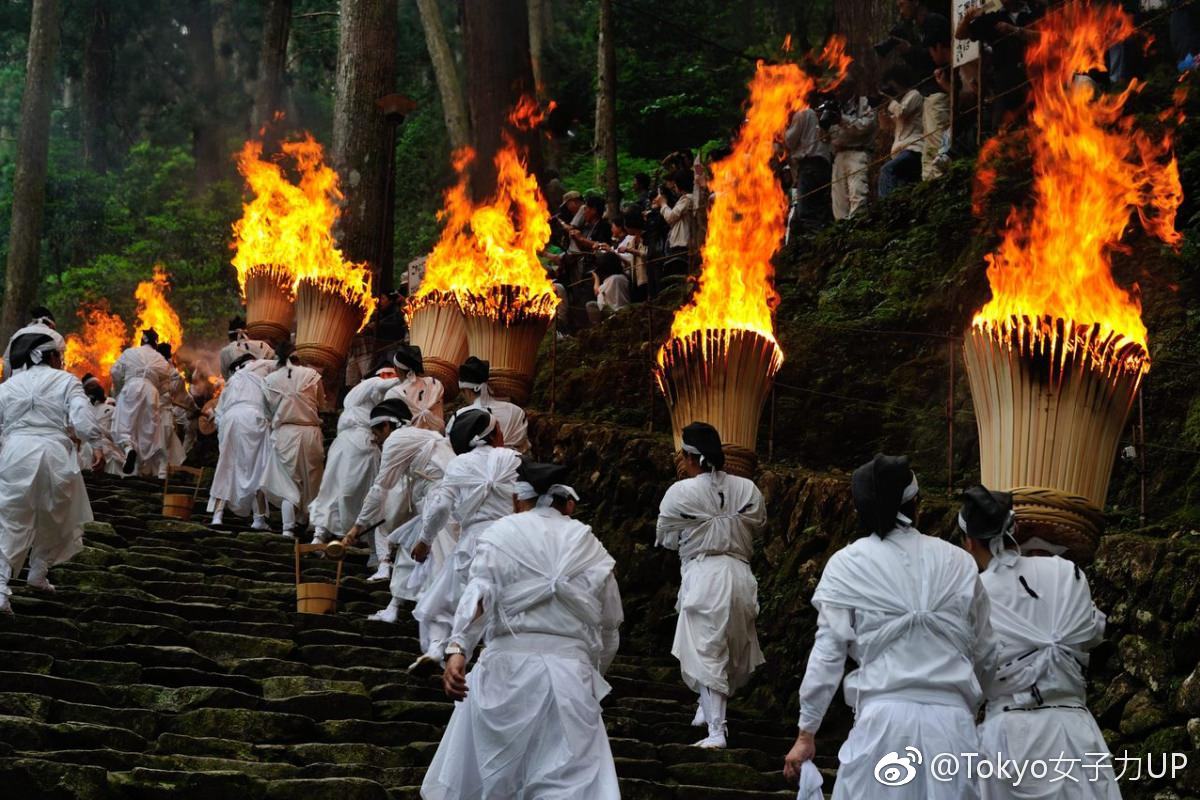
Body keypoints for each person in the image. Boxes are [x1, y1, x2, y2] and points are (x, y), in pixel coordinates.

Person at [783, 453, 997, 799]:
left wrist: (807, 732)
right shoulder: (960, 562)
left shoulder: (848, 564)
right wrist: (971, 709)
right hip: (953, 728)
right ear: (917, 505)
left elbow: (828, 652)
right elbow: (986, 652)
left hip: (883, 726)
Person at [421, 463, 623, 800]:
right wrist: (593, 674)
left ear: (518, 499)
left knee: (496, 780)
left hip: (507, 671)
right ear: (568, 504)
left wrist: (459, 650)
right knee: (565, 782)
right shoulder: (590, 545)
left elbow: (480, 596)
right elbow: (609, 625)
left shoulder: (501, 534)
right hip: (570, 676)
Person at [958, 486, 1120, 800]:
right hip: (1073, 733)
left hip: (1009, 738)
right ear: (1014, 529)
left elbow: (971, 667)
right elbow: (1093, 631)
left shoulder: (974, 592)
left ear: (969, 542)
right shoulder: (1065, 572)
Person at [656, 422, 766, 749]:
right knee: (726, 645)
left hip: (705, 574)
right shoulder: (748, 490)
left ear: (689, 457)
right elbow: (758, 526)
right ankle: (707, 708)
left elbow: (666, 537)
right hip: (740, 574)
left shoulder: (681, 492)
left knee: (706, 647)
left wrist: (696, 534)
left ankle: (717, 730)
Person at [410, 409, 521, 666]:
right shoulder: (515, 459)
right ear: (493, 435)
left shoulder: (459, 464)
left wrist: (425, 540)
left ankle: (438, 648)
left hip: (473, 541)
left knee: (444, 600)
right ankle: (489, 658)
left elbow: (439, 508)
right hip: (513, 541)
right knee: (503, 603)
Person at [0, 333, 99, 614]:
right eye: (59, 354)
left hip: (15, 453)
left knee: (10, 518)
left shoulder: (7, 387)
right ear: (51, 356)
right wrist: (100, 444)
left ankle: (0, 590)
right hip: (54, 453)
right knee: (57, 514)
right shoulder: (67, 381)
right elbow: (82, 421)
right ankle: (39, 570)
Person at [359, 403, 456, 624]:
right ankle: (394, 606)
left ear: (386, 426)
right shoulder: (426, 435)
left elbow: (380, 487)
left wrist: (358, 526)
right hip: (433, 500)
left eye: (377, 434)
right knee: (407, 553)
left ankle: (439, 619)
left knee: (442, 559)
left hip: (440, 502)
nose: (378, 440)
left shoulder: (396, 439)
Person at [309, 359, 401, 544]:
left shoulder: (371, 399)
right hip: (355, 443)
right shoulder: (370, 384)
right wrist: (410, 377)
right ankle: (325, 532)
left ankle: (340, 532)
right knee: (339, 488)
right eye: (389, 374)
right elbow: (387, 384)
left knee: (338, 487)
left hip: (351, 443)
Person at [261, 345, 326, 538]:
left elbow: (267, 412)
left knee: (287, 481)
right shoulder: (313, 375)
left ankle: (288, 528)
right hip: (310, 432)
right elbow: (321, 404)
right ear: (299, 359)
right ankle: (314, 526)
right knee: (313, 480)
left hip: (285, 433)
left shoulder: (269, 380)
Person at [207, 352, 277, 529]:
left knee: (226, 466)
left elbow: (219, 414)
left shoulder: (232, 381)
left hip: (230, 419)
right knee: (258, 467)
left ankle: (217, 515)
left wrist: (221, 432)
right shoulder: (262, 369)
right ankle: (259, 519)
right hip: (255, 418)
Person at [110, 329, 186, 478]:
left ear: (142, 341)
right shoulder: (161, 361)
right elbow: (166, 387)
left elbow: (115, 372)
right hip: (152, 394)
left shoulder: (130, 353)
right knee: (147, 433)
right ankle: (145, 471)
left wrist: (119, 390)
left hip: (131, 388)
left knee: (124, 425)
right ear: (155, 344)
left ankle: (128, 450)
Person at [959, 0, 1043, 130]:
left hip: (1035, 81)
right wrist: (966, 19)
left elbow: (1046, 37)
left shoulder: (1036, 11)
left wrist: (1014, 30)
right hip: (1005, 85)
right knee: (1001, 130)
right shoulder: (993, 18)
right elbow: (960, 35)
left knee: (1036, 125)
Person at [446, 356, 529, 455]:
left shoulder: (460, 416)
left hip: (474, 468)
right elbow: (524, 446)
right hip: (513, 465)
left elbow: (449, 448)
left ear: (466, 391)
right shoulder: (516, 411)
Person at [827, 69, 878, 221]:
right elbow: (825, 137)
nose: (838, 90)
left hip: (858, 152)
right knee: (839, 200)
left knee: (858, 193)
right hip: (838, 155)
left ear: (852, 87)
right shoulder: (833, 105)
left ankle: (857, 227)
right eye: (836, 87)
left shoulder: (864, 103)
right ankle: (842, 232)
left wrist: (842, 119)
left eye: (842, 86)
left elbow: (865, 126)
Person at [785, 99, 833, 233]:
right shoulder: (815, 115)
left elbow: (790, 141)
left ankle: (817, 243)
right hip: (823, 165)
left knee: (807, 212)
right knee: (819, 209)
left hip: (809, 166)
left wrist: (780, 132)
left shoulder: (802, 113)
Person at [877, 65, 925, 198]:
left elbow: (902, 112)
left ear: (900, 82)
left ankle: (886, 208)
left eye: (892, 86)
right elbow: (889, 127)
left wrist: (890, 101)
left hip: (914, 148)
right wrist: (881, 111)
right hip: (900, 152)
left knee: (887, 170)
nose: (892, 90)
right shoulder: (900, 102)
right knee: (905, 190)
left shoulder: (914, 94)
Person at [385, 344, 445, 433]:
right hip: (439, 440)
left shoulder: (393, 394)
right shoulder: (434, 384)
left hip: (411, 444)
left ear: (397, 369)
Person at [654, 169, 696, 276]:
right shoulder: (688, 198)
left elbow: (671, 217)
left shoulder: (688, 199)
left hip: (682, 246)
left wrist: (663, 204)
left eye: (675, 185)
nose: (674, 188)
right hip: (680, 246)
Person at [78, 374, 123, 474]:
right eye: (91, 386)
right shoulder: (82, 411)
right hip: (88, 450)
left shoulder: (112, 409)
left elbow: (119, 433)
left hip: (109, 449)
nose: (95, 388)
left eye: (97, 385)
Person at [587, 252, 632, 324]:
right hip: (617, 312)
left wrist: (596, 278)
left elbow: (597, 292)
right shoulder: (622, 277)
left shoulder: (614, 279)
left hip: (617, 312)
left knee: (590, 305)